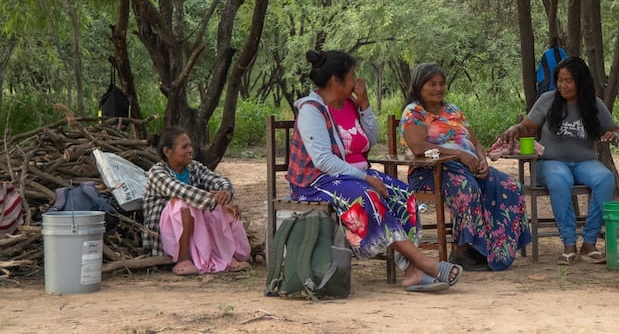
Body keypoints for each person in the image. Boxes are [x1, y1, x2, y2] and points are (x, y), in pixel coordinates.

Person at [287, 50, 462, 292]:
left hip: (354, 175)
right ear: (335, 81)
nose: (357, 81)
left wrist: (365, 105)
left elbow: (368, 140)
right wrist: (367, 178)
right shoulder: (311, 110)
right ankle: (421, 263)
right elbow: (324, 161)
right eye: (352, 77)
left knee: (402, 193)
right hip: (317, 180)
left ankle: (411, 272)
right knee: (367, 196)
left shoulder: (349, 104)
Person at [400, 63, 531, 272]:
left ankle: (490, 248)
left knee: (511, 186)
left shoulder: (453, 110)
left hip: (468, 166)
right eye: (431, 84)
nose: (438, 88)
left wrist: (482, 161)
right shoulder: (414, 112)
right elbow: (418, 147)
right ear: (418, 86)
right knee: (466, 188)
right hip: (432, 171)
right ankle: (461, 251)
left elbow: (475, 142)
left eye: (441, 84)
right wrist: (458, 154)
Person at [499, 56, 619, 265]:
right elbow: (528, 127)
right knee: (560, 179)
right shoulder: (548, 99)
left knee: (605, 178)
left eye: (569, 80)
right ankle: (569, 243)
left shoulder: (594, 104)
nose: (563, 85)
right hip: (551, 162)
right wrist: (514, 129)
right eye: (560, 80)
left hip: (584, 162)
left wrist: (614, 136)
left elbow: (614, 129)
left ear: (581, 81)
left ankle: (589, 242)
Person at [143, 126, 251, 275]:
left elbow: (219, 181)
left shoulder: (194, 167)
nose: (190, 150)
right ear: (167, 152)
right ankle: (183, 259)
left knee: (220, 206)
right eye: (184, 147)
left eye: (190, 145)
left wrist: (225, 194)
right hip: (167, 233)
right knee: (182, 204)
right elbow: (184, 192)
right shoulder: (157, 173)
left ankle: (224, 257)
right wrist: (216, 199)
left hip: (194, 222)